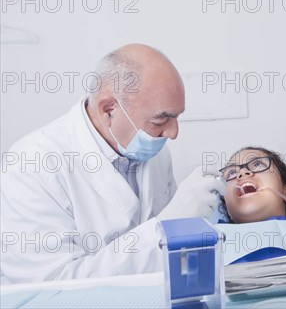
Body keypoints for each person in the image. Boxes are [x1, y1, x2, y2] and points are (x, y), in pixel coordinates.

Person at [1, 44, 224, 283]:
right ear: (108, 109)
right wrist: (165, 226)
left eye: (176, 116)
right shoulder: (32, 165)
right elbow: (53, 286)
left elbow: (168, 260)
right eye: (161, 118)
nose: (173, 132)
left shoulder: (157, 153)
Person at [219, 147, 286, 223]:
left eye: (257, 164)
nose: (242, 172)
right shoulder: (211, 235)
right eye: (232, 173)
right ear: (227, 207)